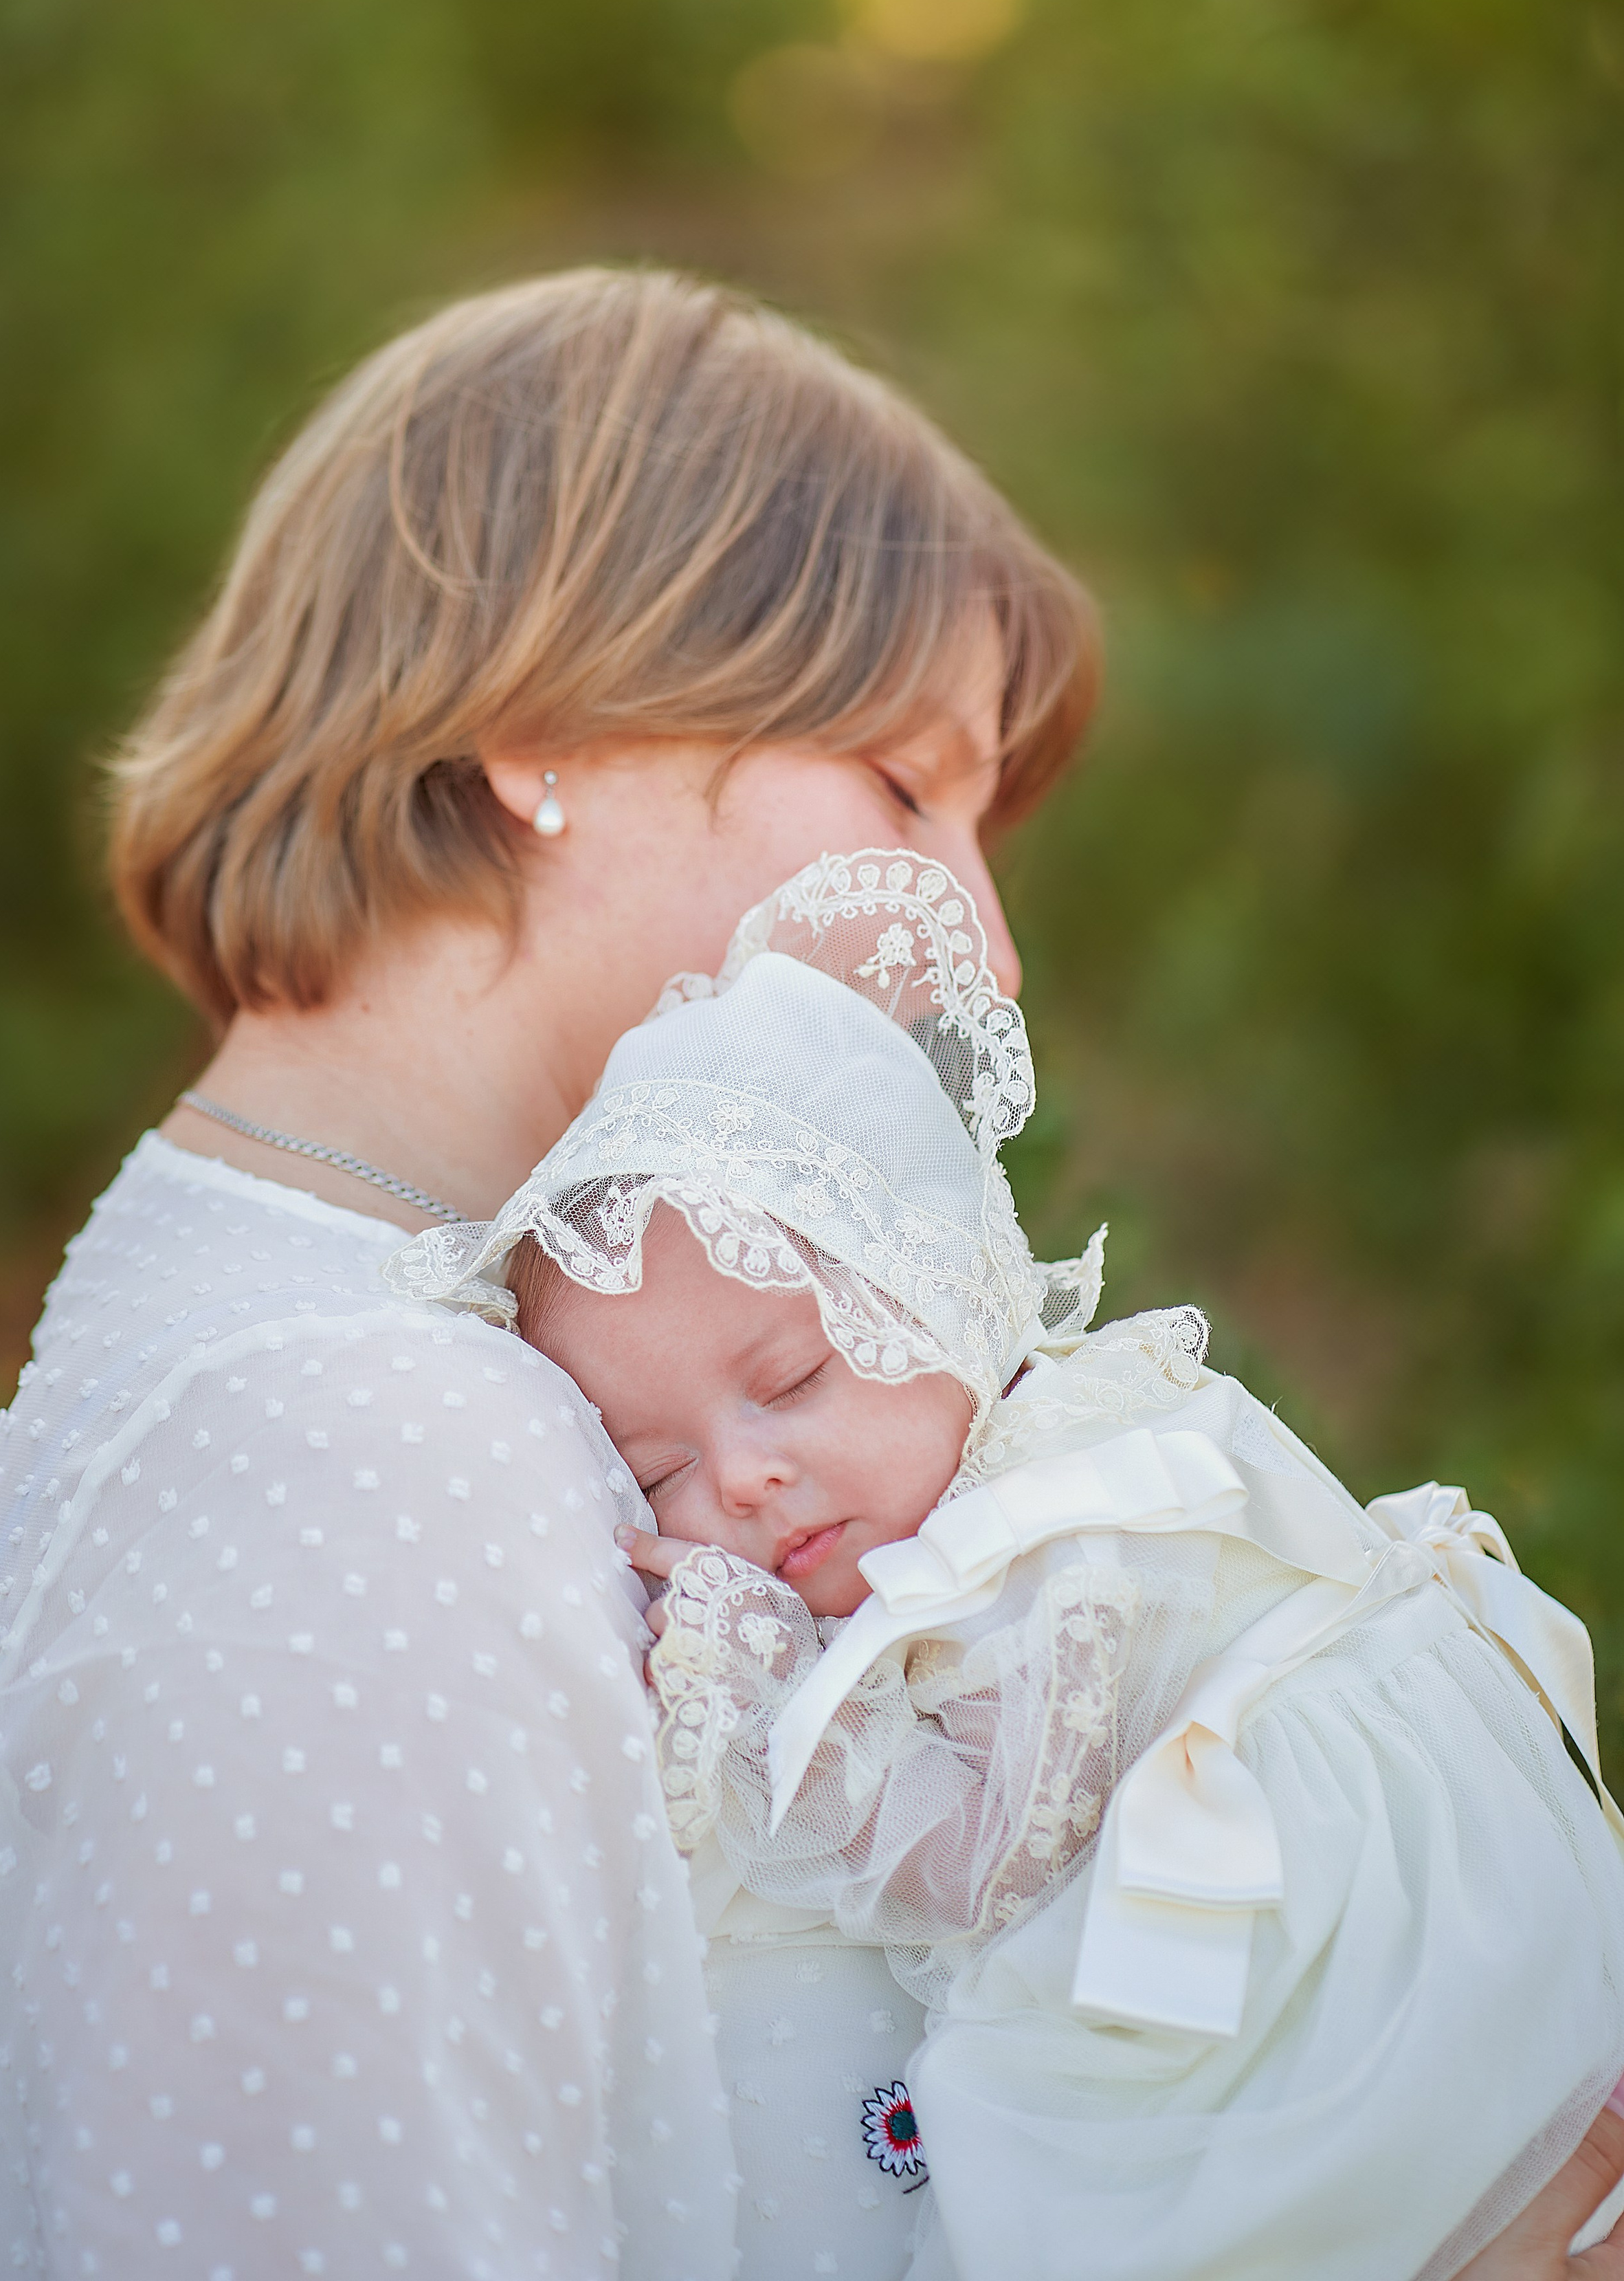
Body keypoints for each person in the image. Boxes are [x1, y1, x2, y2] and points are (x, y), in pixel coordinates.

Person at [0, 267, 1617, 2281]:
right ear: (555, 725)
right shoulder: (350, 1459)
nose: (990, 947)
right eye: (903, 787)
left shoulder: (372, 1347)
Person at [390, 848, 1624, 2281]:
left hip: (1351, 1969)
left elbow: (988, 1865)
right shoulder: (998, 1500)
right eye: (656, 1468)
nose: (737, 1477)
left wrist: (787, 1697)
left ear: (940, 1291)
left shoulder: (1053, 1539)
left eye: (789, 1378)